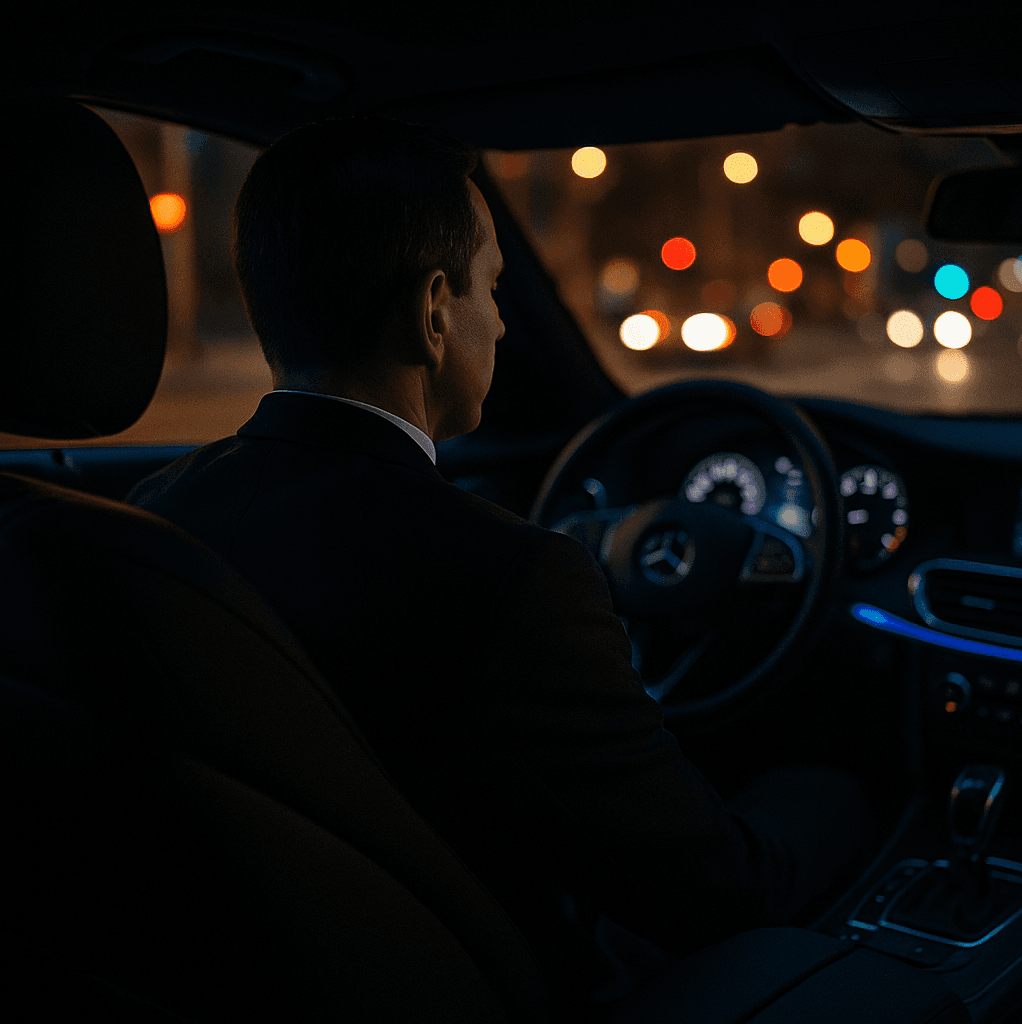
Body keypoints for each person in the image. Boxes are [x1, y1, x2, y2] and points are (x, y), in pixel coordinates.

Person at [129, 117, 870, 1010]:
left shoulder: (156, 514)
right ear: (435, 311)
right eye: (492, 287)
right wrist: (840, 777)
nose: (506, 322)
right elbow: (717, 892)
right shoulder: (515, 580)